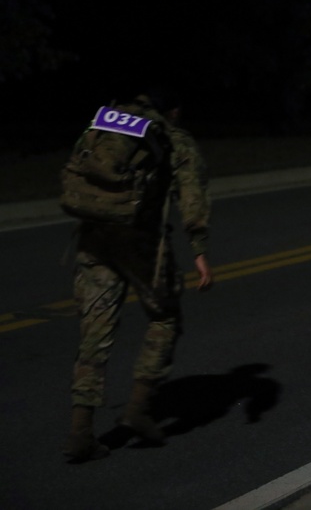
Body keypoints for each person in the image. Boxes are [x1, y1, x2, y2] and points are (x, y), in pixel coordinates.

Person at [63, 85, 213, 462]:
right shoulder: (171, 135)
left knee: (94, 334)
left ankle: (81, 432)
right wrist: (198, 248)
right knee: (164, 317)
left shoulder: (108, 119)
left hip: (94, 236)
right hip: (140, 244)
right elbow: (191, 190)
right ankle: (138, 409)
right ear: (174, 111)